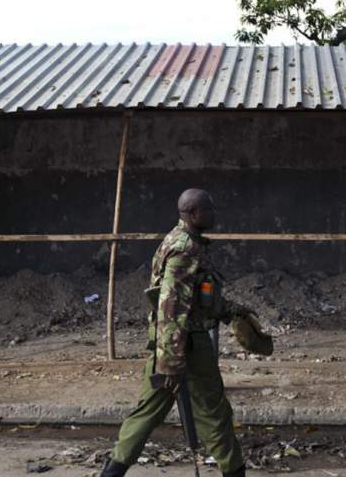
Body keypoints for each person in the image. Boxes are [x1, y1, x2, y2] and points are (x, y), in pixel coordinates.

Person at [101, 188, 254, 477]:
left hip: (169, 345)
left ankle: (110, 473)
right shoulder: (185, 249)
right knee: (214, 414)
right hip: (187, 345)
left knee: (146, 414)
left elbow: (197, 297)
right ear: (193, 213)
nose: (214, 214)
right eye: (209, 209)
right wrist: (171, 364)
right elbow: (171, 306)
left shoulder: (183, 241)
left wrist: (232, 310)